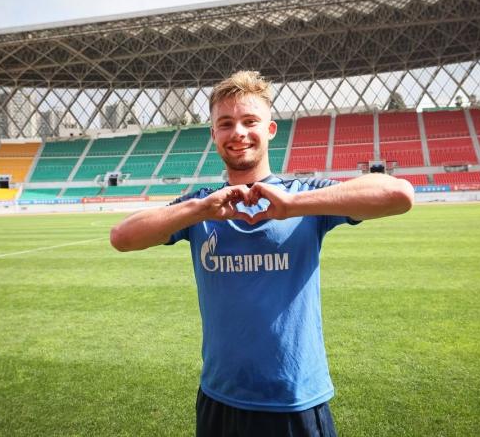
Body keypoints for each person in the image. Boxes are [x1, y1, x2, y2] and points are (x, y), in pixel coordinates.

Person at [110, 70, 414, 436]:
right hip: (219, 399)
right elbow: (122, 237)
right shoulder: (202, 206)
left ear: (270, 130)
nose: (238, 132)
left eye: (249, 121)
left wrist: (294, 204)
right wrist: (199, 209)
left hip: (295, 401)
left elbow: (399, 195)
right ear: (213, 135)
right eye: (225, 123)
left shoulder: (305, 195)